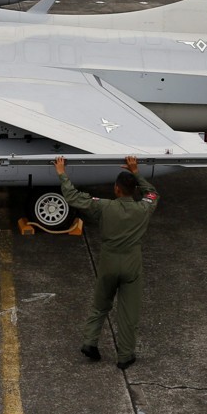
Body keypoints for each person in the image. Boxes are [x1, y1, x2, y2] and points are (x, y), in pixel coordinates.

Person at [53, 155, 159, 369]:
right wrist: (136, 172)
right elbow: (152, 193)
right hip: (132, 263)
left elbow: (73, 197)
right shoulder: (144, 208)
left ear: (117, 190)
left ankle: (90, 342)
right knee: (129, 313)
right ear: (132, 190)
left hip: (108, 261)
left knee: (100, 305)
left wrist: (62, 173)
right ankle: (125, 356)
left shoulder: (103, 206)